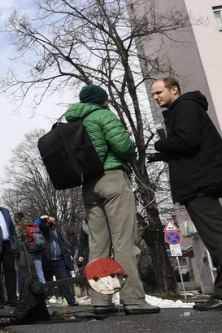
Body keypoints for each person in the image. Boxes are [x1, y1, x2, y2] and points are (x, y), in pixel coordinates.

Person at [64, 84, 159, 315]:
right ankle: (133, 299)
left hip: (89, 186)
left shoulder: (74, 122)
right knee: (124, 242)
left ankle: (100, 300)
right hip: (112, 180)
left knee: (98, 245)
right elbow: (123, 148)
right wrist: (126, 138)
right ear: (102, 100)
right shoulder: (103, 115)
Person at [151, 77, 222, 311]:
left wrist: (160, 145)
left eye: (159, 92)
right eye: (153, 94)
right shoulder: (184, 108)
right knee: (217, 237)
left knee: (217, 239)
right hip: (200, 180)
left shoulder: (185, 107)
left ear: (174, 90)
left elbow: (187, 140)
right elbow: (190, 145)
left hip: (199, 183)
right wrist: (164, 154)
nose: (156, 98)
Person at [37, 215, 77, 306]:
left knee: (64, 280)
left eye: (54, 221)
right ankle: (42, 300)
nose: (52, 223)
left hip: (59, 260)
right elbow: (40, 225)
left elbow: (63, 243)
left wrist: (68, 253)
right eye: (50, 221)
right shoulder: (44, 231)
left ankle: (71, 300)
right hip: (48, 260)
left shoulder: (58, 231)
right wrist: (43, 220)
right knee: (45, 282)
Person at [15, 212, 47, 284]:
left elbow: (19, 241)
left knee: (26, 275)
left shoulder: (19, 226)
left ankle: (28, 293)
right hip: (37, 250)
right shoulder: (33, 224)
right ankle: (44, 290)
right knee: (40, 273)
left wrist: (17, 257)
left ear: (16, 219)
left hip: (26, 254)